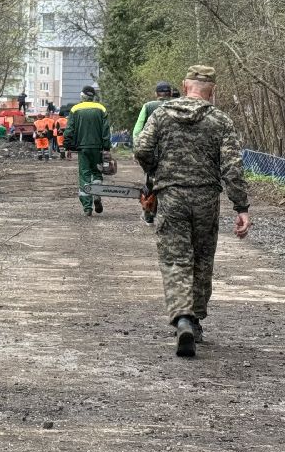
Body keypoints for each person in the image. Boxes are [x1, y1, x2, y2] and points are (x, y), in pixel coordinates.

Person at [133, 65, 251, 358]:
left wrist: (155, 172)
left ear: (185, 86)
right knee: (201, 258)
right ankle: (195, 322)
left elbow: (141, 149)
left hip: (171, 196)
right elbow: (232, 167)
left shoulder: (161, 114)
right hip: (205, 198)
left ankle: (182, 318)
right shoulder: (220, 120)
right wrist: (241, 206)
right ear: (212, 90)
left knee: (175, 259)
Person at [133, 82, 177, 224]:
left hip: (154, 154)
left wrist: (138, 150)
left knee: (151, 182)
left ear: (156, 94)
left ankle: (149, 215)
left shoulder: (148, 106)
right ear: (170, 93)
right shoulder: (180, 105)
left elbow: (137, 131)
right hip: (176, 153)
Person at [65, 85, 111, 215]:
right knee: (97, 172)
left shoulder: (75, 109)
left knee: (84, 174)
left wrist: (68, 145)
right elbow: (106, 129)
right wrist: (106, 146)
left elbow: (69, 129)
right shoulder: (101, 108)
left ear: (82, 96)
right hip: (98, 148)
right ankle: (96, 193)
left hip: (83, 148)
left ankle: (87, 207)